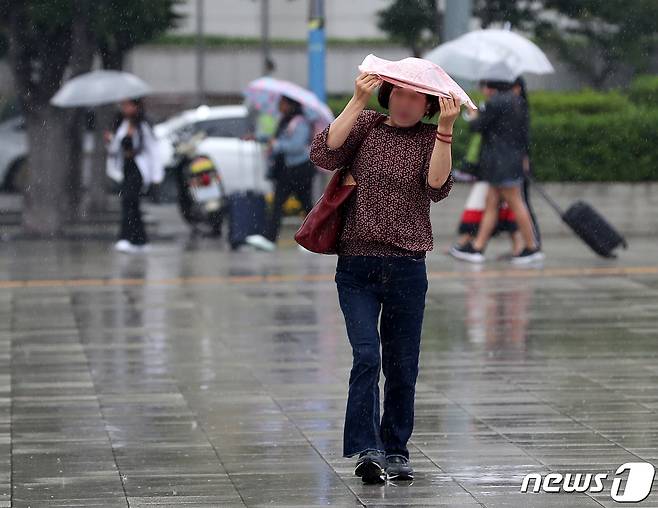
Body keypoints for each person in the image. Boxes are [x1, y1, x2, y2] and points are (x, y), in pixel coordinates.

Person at [309, 73, 459, 483]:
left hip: (407, 268)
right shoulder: (366, 126)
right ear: (388, 94)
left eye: (416, 97)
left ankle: (396, 448)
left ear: (428, 105)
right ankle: (367, 448)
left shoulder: (432, 138)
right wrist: (358, 99)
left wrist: (445, 130)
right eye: (399, 94)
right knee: (366, 357)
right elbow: (323, 153)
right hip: (356, 267)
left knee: (401, 365)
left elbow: (437, 187)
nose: (405, 103)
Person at [450, 79, 543, 264]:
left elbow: (477, 127)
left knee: (515, 202)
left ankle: (531, 247)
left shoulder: (496, 102)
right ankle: (478, 247)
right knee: (492, 201)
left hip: (499, 161)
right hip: (510, 159)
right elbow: (524, 134)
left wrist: (473, 113)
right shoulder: (518, 101)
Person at [246, 96, 315, 252]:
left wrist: (276, 145)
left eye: (282, 103)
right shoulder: (286, 120)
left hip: (299, 170)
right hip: (287, 170)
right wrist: (258, 138)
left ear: (290, 105)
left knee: (306, 205)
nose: (279, 106)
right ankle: (270, 238)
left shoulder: (300, 122)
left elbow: (296, 146)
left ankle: (312, 239)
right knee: (280, 204)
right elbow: (276, 138)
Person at [106, 98, 163, 253]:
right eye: (123, 105)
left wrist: (156, 176)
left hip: (138, 170)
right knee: (131, 204)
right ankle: (139, 239)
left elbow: (153, 151)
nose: (125, 108)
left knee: (129, 201)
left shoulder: (142, 126)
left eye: (128, 105)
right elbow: (116, 148)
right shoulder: (121, 125)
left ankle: (127, 237)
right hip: (127, 168)